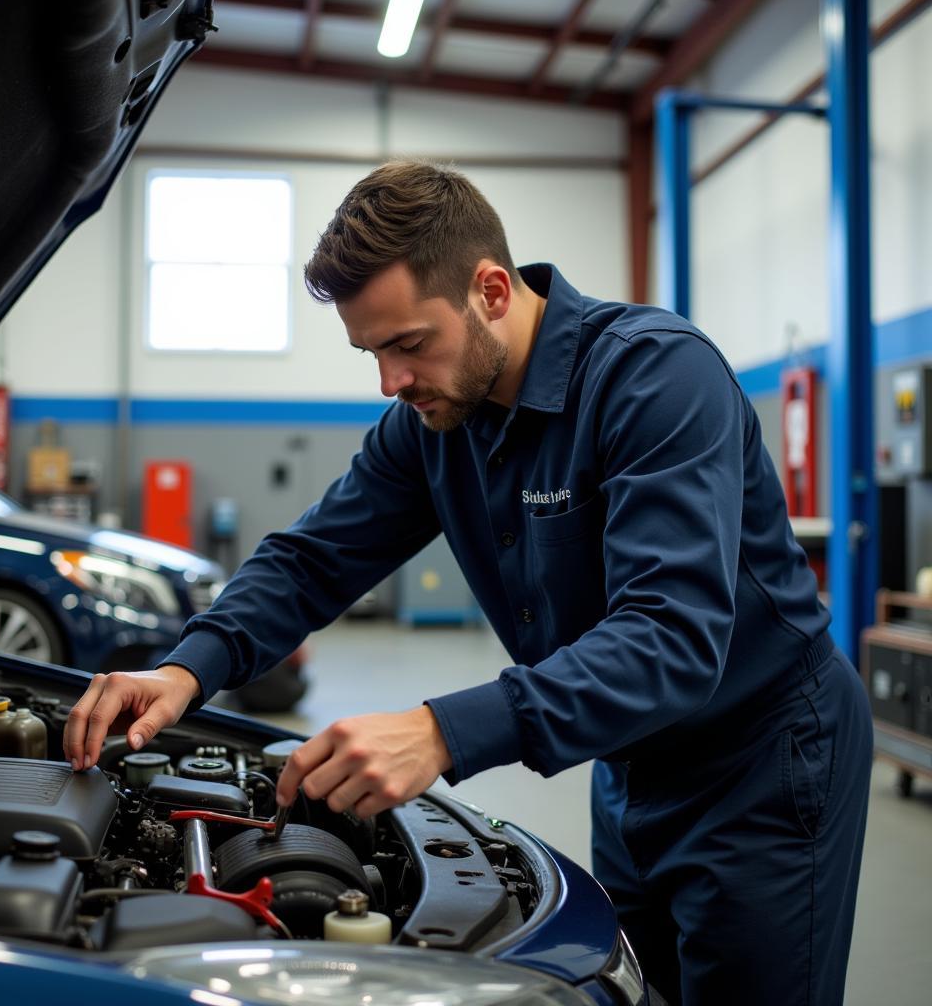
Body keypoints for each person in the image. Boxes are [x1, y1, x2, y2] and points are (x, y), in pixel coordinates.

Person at [64, 160, 873, 1004]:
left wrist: (442, 732)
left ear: (491, 291)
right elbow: (312, 558)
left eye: (409, 343)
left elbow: (669, 637)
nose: (391, 382)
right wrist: (184, 669)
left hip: (765, 761)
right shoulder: (433, 423)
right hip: (630, 765)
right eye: (372, 351)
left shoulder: (655, 378)